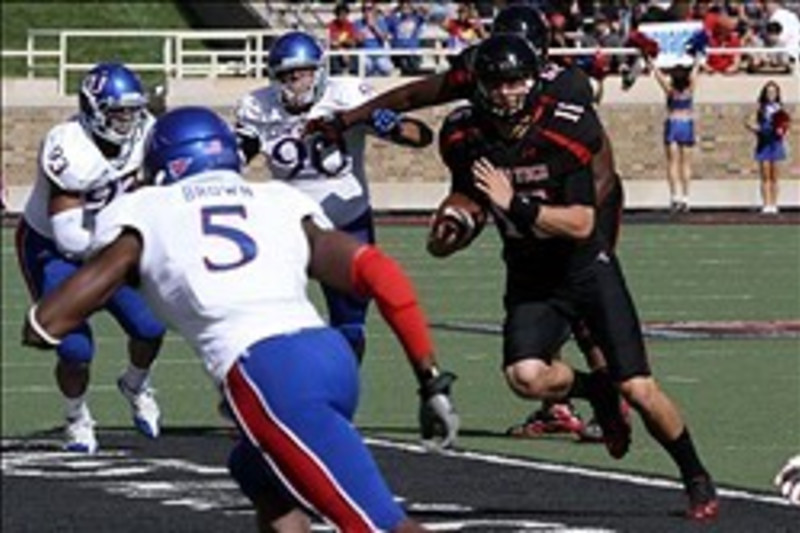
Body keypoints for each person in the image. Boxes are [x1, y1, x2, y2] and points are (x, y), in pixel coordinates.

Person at [21, 106, 456, 532]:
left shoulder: (147, 208)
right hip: (331, 358)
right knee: (255, 470)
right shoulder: (278, 198)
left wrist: (51, 311)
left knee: (378, 525)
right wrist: (429, 379)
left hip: (268, 374)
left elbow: (48, 325)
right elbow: (382, 274)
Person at [428, 33, 718, 521]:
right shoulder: (465, 135)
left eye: (516, 81)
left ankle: (695, 475)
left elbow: (583, 221)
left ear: (534, 80)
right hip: (529, 274)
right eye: (495, 83)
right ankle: (594, 390)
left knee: (640, 390)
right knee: (525, 377)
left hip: (584, 268)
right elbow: (470, 197)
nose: (505, 93)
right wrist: (453, 227)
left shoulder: (564, 128)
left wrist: (514, 203)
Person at [305, 4, 624, 442]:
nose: (506, 83)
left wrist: (556, 220)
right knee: (538, 303)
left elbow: (601, 171)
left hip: (579, 198)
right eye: (497, 68)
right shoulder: (478, 70)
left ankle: (613, 401)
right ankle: (559, 404)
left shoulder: (566, 86)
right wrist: (350, 119)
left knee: (581, 304)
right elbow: (414, 96)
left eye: (517, 70)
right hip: (518, 196)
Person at [235, 30, 434, 363]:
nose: (294, 82)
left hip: (346, 224)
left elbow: (421, 137)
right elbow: (236, 155)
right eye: (285, 75)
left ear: (320, 71)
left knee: (350, 326)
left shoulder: (348, 96)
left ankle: (341, 394)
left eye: (302, 73)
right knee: (271, 318)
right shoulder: (258, 107)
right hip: (289, 229)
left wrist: (393, 127)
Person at [15, 62, 164, 454]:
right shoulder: (68, 145)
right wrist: (129, 246)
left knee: (149, 328)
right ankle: (76, 416)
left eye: (132, 110)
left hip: (107, 242)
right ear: (93, 109)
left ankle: (134, 383)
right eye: (117, 112)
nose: (127, 120)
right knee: (74, 348)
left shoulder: (145, 132)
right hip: (54, 248)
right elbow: (70, 236)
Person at [646, 54, 701, 213]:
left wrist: (652, 62)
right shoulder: (690, 90)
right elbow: (695, 72)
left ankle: (675, 196)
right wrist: (698, 59)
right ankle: (685, 196)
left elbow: (658, 75)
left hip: (673, 123)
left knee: (673, 162)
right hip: (686, 123)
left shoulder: (670, 90)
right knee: (685, 162)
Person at [744, 80, 790, 214]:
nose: (771, 94)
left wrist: (782, 129)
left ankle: (774, 203)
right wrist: (755, 129)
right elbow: (750, 122)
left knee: (775, 176)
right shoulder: (761, 109)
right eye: (769, 92)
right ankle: (766, 203)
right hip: (763, 143)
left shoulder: (780, 109)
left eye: (774, 92)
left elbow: (785, 124)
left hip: (775, 142)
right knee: (765, 175)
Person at [354, 1, 394, 76]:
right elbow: (359, 41)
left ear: (374, 10)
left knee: (386, 67)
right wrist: (366, 28)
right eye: (364, 9)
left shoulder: (381, 22)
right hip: (365, 55)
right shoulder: (358, 23)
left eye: (369, 9)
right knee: (366, 65)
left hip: (379, 54)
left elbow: (384, 38)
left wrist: (374, 27)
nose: (367, 11)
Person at [327, 2, 360, 76]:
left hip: (348, 49)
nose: (342, 16)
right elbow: (333, 43)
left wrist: (344, 42)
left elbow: (353, 42)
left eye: (344, 13)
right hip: (337, 50)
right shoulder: (332, 25)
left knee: (355, 52)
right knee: (334, 54)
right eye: (340, 14)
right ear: (336, 14)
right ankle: (336, 74)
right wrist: (342, 50)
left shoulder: (350, 25)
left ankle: (354, 74)